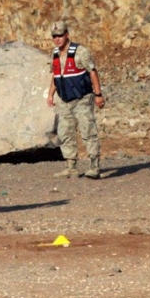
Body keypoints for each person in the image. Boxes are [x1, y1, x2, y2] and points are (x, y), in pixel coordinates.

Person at [47, 20, 105, 179]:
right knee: (65, 132)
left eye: (60, 35)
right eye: (54, 36)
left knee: (88, 131)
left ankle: (94, 166)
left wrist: (98, 95)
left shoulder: (81, 52)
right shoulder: (55, 54)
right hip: (64, 101)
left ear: (66, 35)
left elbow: (92, 72)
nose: (57, 39)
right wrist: (50, 94)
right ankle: (71, 167)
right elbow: (56, 75)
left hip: (82, 99)